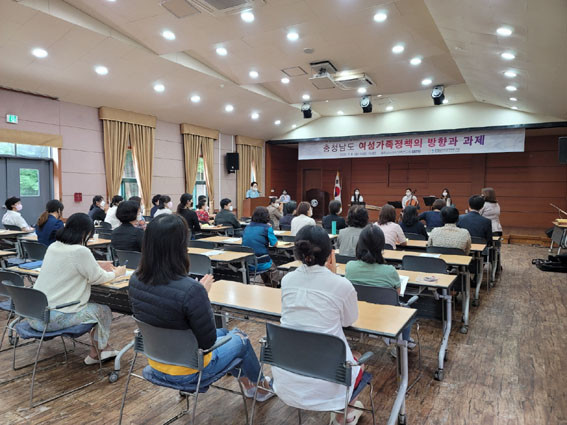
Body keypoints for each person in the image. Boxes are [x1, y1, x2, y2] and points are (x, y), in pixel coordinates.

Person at [128, 214, 273, 401]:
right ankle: (262, 388)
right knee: (241, 338)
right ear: (181, 246)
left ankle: (249, 385)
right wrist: (202, 296)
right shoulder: (191, 290)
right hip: (191, 370)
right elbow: (207, 342)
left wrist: (197, 296)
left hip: (157, 362)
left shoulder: (135, 280)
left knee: (225, 333)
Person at [272, 225, 365, 424]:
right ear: (331, 254)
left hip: (286, 377)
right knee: (358, 359)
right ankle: (344, 416)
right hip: (329, 383)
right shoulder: (342, 285)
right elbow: (349, 321)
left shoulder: (287, 280)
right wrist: (333, 274)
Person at [29, 213, 126, 364]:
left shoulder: (54, 246)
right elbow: (97, 278)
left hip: (34, 315)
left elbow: (69, 264)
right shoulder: (80, 251)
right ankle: (99, 351)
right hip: (51, 319)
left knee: (96, 309)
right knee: (104, 311)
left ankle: (101, 350)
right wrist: (117, 272)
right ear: (86, 233)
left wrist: (96, 264)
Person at [345, 225, 415, 345]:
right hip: (385, 315)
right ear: (381, 246)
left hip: (358, 312)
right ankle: (404, 342)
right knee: (407, 310)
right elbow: (397, 295)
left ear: (359, 245)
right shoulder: (390, 270)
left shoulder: (350, 266)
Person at [241, 206, 281, 287]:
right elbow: (275, 244)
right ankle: (273, 288)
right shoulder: (267, 228)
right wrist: (270, 228)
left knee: (266, 270)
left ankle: (268, 286)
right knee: (275, 271)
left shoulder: (247, 227)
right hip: (261, 262)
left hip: (247, 262)